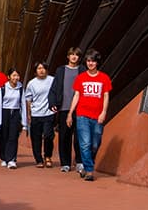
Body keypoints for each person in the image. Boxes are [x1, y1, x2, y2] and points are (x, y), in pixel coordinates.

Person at [66, 49, 111, 182]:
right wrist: (70, 113)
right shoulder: (81, 78)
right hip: (82, 115)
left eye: (93, 61)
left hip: (97, 116)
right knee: (85, 143)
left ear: (97, 63)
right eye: (88, 61)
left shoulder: (104, 78)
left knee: (95, 144)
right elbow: (76, 96)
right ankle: (89, 171)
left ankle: (86, 165)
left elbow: (106, 96)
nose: (90, 63)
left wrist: (103, 112)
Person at [48, 47, 86, 173]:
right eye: (72, 54)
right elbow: (54, 88)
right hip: (64, 107)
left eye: (76, 55)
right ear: (68, 56)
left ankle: (79, 162)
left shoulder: (82, 70)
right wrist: (53, 102)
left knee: (79, 136)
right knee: (64, 136)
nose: (74, 57)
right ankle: (65, 163)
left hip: (80, 108)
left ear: (79, 58)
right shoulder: (60, 70)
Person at [0, 68, 27, 169]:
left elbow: (23, 105)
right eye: (13, 75)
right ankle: (4, 157)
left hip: (15, 113)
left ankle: (12, 159)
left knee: (13, 136)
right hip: (4, 112)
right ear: (9, 77)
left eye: (17, 75)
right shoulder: (3, 89)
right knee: (4, 136)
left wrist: (24, 122)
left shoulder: (21, 89)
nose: (15, 78)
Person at [26, 62, 56, 168]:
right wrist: (29, 114)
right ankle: (38, 159)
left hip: (49, 113)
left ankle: (48, 156)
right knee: (36, 137)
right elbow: (29, 99)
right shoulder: (31, 83)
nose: (41, 70)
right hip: (36, 114)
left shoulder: (52, 80)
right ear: (35, 71)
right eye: (39, 68)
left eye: (43, 68)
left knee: (48, 135)